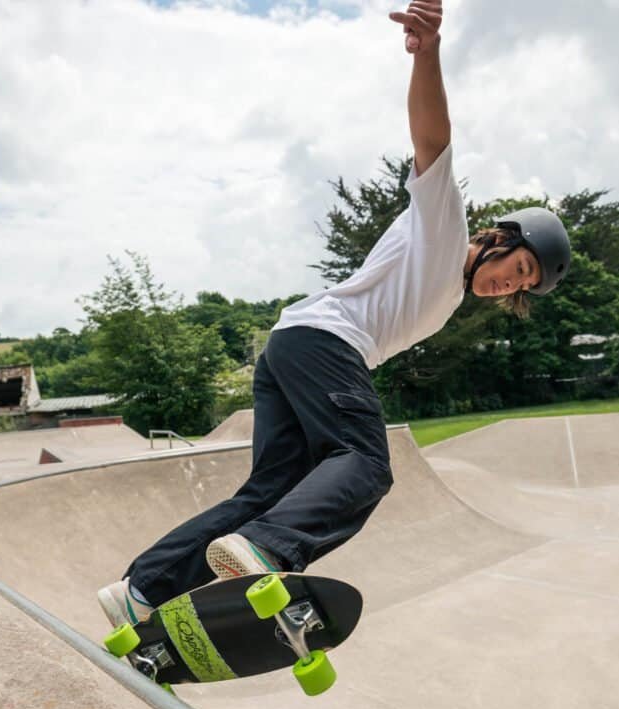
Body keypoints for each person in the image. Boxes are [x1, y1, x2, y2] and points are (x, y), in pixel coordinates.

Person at [97, 0, 572, 627]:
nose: (507, 283)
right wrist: (427, 53)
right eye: (517, 267)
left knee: (269, 492)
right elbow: (433, 141)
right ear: (501, 239)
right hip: (326, 344)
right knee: (367, 464)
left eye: (521, 285)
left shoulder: (450, 292)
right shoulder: (444, 223)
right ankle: (268, 548)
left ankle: (142, 587)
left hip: (295, 346)